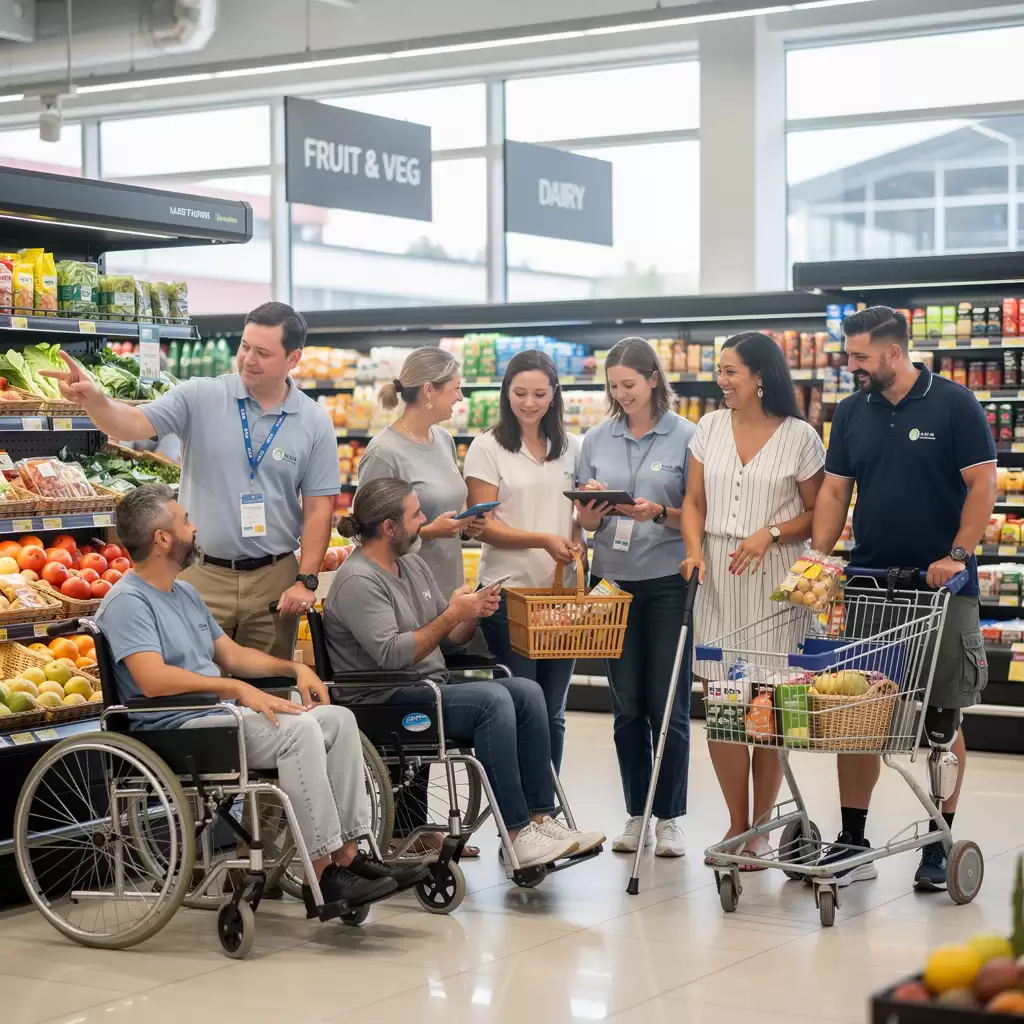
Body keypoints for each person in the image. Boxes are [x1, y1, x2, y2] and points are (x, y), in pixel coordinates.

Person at [95, 484, 427, 918]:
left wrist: (295, 669)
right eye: (185, 522)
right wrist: (233, 689)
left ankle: (349, 854)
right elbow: (151, 679)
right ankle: (322, 873)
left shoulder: (184, 593)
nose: (194, 529)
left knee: (338, 720)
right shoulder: (128, 601)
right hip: (173, 731)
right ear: (162, 539)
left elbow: (231, 656)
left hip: (215, 720)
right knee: (300, 731)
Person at [322, 478, 606, 871]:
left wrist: (471, 614)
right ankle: (516, 832)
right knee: (491, 701)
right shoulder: (358, 581)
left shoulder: (413, 564)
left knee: (526, 691)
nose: (424, 520)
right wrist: (453, 614)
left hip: (426, 687)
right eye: (416, 514)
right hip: (384, 700)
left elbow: (448, 638)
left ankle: (542, 818)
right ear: (389, 528)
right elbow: (392, 654)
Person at [810, 306, 997, 891]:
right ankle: (852, 837)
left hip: (941, 589)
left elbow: (982, 484)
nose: (851, 366)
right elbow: (837, 489)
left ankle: (940, 841)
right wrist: (818, 557)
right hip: (870, 584)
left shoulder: (955, 404)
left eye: (860, 357)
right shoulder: (850, 413)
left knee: (942, 718)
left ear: (894, 353)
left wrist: (959, 555)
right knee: (856, 718)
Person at [42, 302, 339, 661]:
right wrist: (96, 400)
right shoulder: (200, 395)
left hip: (273, 581)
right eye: (244, 347)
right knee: (196, 695)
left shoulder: (314, 421)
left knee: (270, 697)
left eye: (263, 352)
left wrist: (306, 580)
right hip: (200, 574)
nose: (248, 359)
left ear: (294, 359)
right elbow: (132, 423)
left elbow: (319, 508)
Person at [680, 332, 825, 866]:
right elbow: (692, 502)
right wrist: (693, 549)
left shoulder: (800, 436)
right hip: (718, 577)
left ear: (761, 376)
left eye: (731, 372)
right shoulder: (709, 428)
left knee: (769, 704)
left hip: (774, 582)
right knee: (724, 704)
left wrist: (770, 532)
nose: (722, 381)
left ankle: (762, 824)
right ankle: (737, 822)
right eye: (720, 371)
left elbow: (818, 513)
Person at [575, 337, 696, 858]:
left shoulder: (688, 436)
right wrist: (593, 510)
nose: (621, 394)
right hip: (612, 582)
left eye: (629, 384)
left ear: (653, 379)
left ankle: (669, 817)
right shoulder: (596, 439)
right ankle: (636, 815)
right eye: (613, 386)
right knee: (626, 707)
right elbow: (582, 520)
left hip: (669, 579)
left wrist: (659, 515)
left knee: (666, 705)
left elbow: (697, 514)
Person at [464, 349, 586, 772]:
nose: (529, 402)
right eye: (520, 393)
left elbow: (577, 517)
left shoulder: (573, 447)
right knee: (521, 707)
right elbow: (483, 524)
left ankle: (548, 809)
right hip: (508, 596)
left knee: (553, 709)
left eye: (538, 393)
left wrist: (577, 537)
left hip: (560, 598)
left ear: (554, 394)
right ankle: (519, 817)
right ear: (506, 393)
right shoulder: (487, 447)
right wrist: (542, 539)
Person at [358, 346, 487, 600]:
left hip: (449, 589)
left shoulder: (443, 439)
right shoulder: (384, 452)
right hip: (407, 596)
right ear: (429, 390)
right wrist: (428, 533)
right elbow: (365, 538)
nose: (461, 397)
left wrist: (465, 526)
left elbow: (447, 508)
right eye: (456, 388)